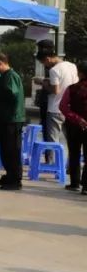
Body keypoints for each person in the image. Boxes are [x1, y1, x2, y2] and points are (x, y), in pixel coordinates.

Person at [0, 51, 25, 191]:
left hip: (11, 118)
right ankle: (9, 174)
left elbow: (11, 94)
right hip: (4, 118)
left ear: (0, 63)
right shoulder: (3, 77)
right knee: (5, 149)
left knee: (12, 150)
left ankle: (15, 179)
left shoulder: (11, 76)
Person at [38, 49, 77, 149]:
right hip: (70, 107)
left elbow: (55, 90)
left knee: (53, 141)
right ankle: (69, 162)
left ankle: (52, 163)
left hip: (55, 109)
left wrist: (44, 83)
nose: (45, 66)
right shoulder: (72, 66)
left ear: (48, 59)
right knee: (71, 140)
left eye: (43, 63)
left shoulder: (54, 70)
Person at [59, 63, 87, 193]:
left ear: (80, 74)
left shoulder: (72, 89)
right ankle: (86, 186)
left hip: (74, 126)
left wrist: (77, 119)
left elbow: (63, 107)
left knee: (74, 153)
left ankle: (75, 183)